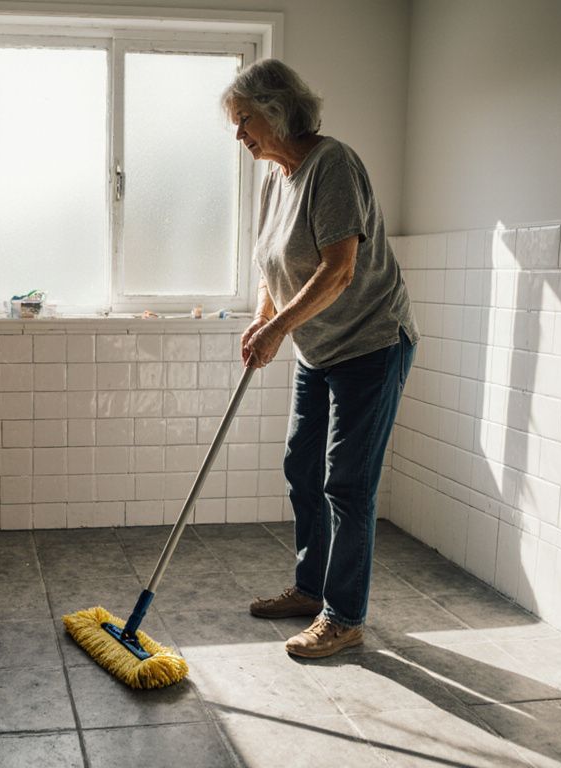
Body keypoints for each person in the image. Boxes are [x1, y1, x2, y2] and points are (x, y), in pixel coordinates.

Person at [222, 59, 418, 659]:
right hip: (318, 347)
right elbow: (272, 266)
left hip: (370, 342)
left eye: (245, 120)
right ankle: (311, 589)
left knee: (347, 482)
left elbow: (339, 271)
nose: (240, 135)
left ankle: (344, 615)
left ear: (277, 110)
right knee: (301, 467)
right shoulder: (274, 179)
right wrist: (264, 316)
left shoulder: (333, 165)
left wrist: (278, 330)